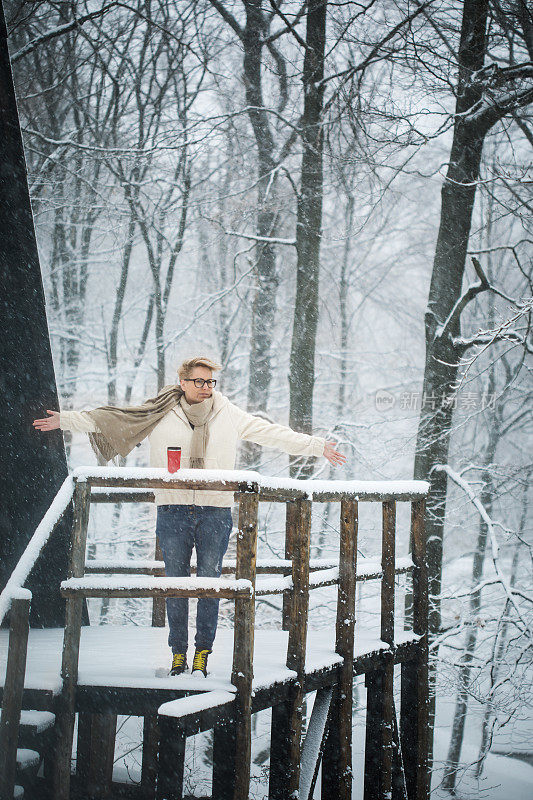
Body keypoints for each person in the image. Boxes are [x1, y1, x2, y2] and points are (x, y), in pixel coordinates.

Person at [33, 356, 346, 677]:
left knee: (210, 584)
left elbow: (271, 433)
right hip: (173, 510)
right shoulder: (161, 412)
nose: (206, 388)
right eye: (199, 381)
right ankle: (178, 653)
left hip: (215, 511)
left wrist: (316, 446)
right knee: (176, 584)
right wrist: (66, 420)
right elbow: (112, 418)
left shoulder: (228, 414)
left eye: (210, 382)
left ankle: (203, 653)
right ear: (183, 382)